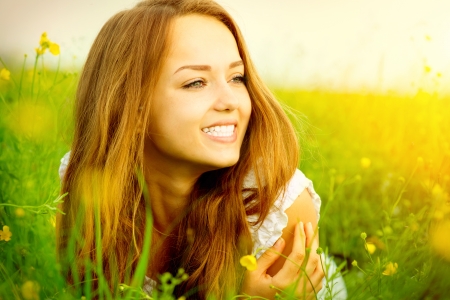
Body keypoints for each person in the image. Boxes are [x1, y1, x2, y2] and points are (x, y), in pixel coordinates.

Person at [57, 0, 347, 299]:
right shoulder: (85, 179)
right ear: (130, 103)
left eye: (237, 78)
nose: (231, 101)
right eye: (196, 82)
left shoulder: (277, 207)